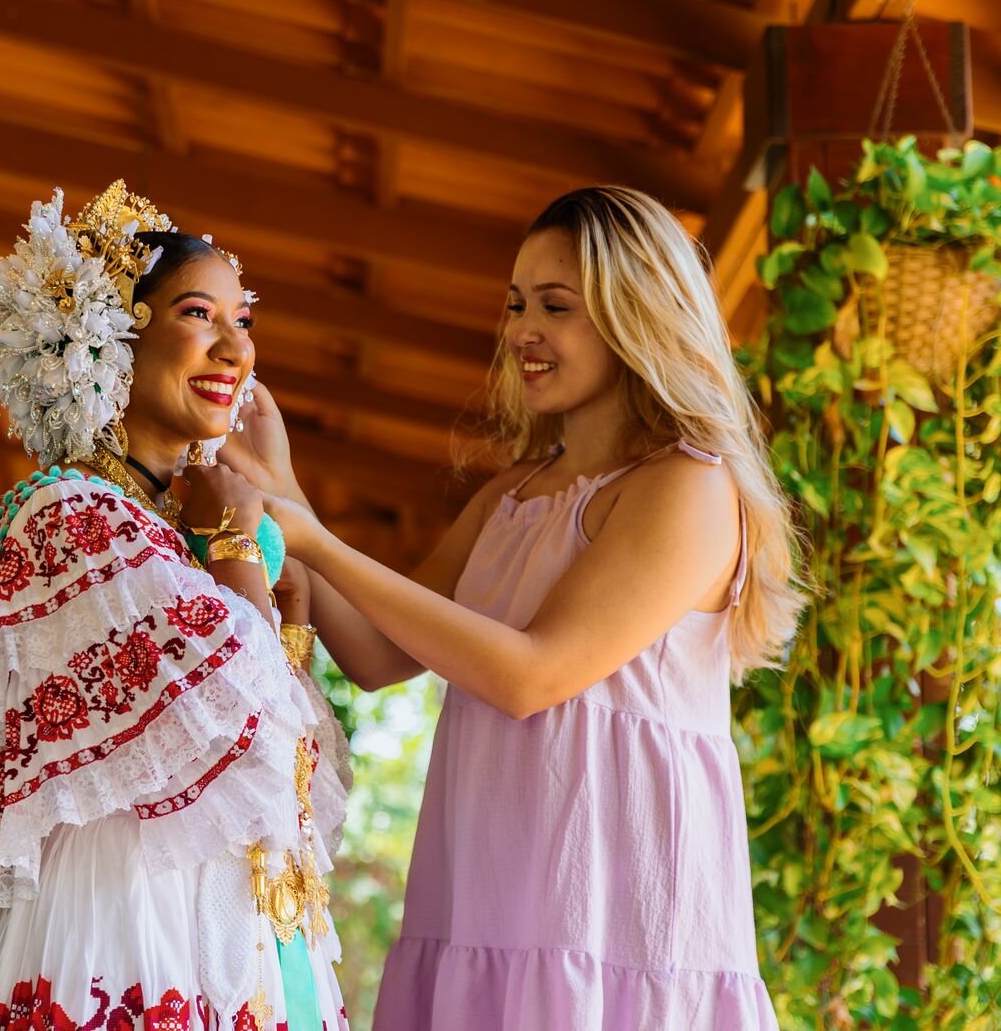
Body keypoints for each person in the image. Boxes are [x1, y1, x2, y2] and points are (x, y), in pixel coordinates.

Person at [224, 186, 804, 1029]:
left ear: (634, 314)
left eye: (556, 306)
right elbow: (380, 654)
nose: (523, 329)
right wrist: (282, 492)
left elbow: (532, 674)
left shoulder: (690, 485)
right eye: (517, 303)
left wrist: (315, 541)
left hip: (611, 921)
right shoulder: (512, 497)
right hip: (486, 907)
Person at [0, 182, 349, 1031]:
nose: (234, 347)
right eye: (200, 314)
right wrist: (237, 545)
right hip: (125, 925)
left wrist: (277, 586)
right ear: (114, 335)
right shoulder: (72, 518)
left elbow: (283, 742)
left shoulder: (170, 525)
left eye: (245, 322)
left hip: (221, 924)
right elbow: (252, 717)